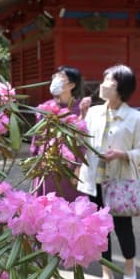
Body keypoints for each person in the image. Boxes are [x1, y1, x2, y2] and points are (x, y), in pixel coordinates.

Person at [78, 64, 140, 279]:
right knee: (100, 230)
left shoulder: (137, 118)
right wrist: (81, 114)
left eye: (109, 79)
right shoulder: (93, 112)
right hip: (93, 182)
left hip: (119, 183)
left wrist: (122, 154)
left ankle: (129, 266)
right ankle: (106, 272)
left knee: (123, 227)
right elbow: (80, 139)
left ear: (121, 87)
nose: (103, 83)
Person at [31, 65, 91, 201]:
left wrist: (79, 167)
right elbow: (37, 137)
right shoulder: (44, 107)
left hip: (70, 168)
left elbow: (84, 141)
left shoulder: (81, 108)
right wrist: (36, 160)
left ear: (71, 85)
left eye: (60, 76)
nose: (55, 79)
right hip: (47, 165)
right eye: (54, 76)